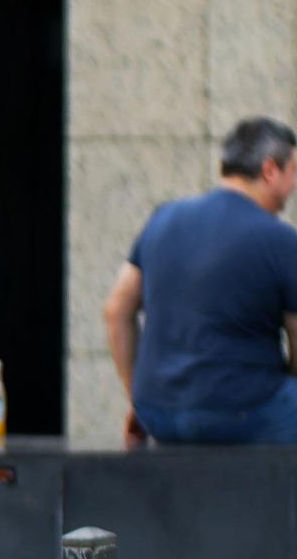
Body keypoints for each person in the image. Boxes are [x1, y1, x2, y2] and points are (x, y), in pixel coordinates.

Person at [103, 116, 297, 445]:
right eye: (293, 170)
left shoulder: (162, 219)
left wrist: (137, 400)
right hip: (244, 412)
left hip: (159, 413)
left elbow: (115, 310)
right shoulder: (281, 239)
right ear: (269, 170)